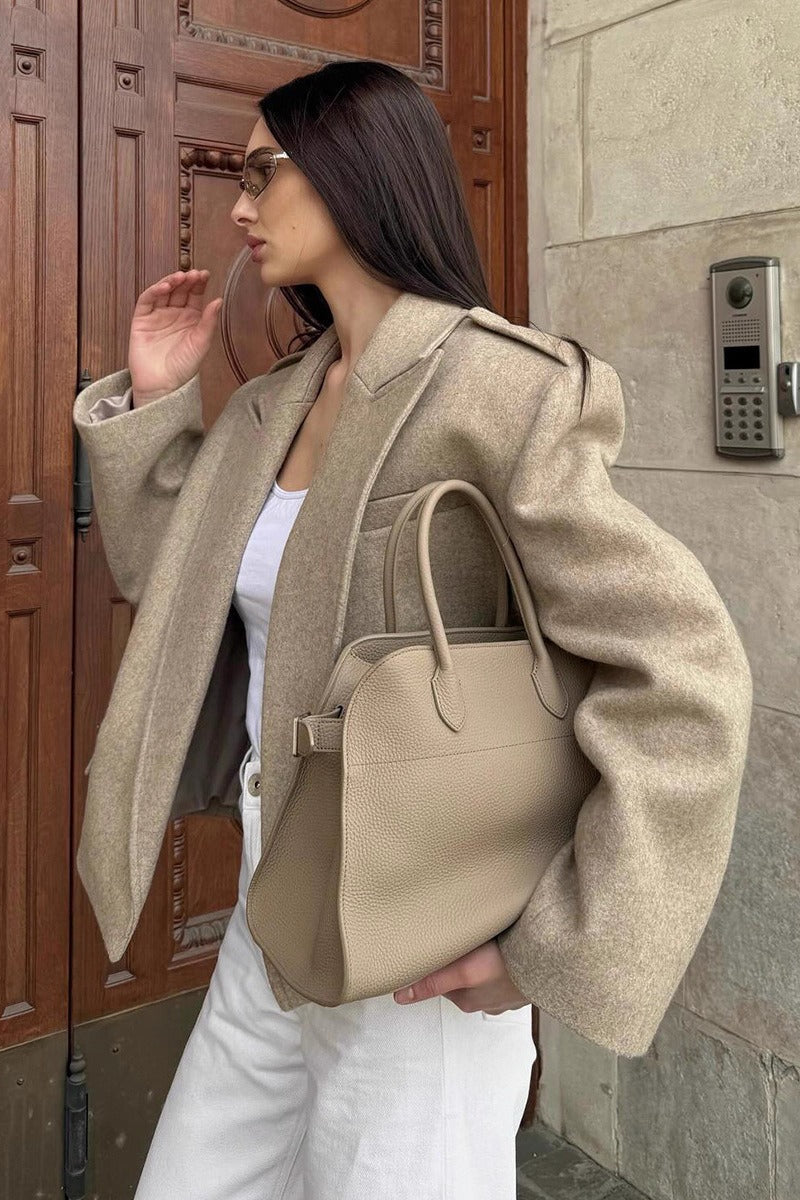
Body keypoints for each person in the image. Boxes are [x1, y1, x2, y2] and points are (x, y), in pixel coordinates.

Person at [75, 58, 752, 1200]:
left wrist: (558, 945)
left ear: (353, 170)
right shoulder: (273, 401)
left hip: (420, 955)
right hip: (272, 919)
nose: (238, 206)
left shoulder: (502, 391)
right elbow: (174, 596)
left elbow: (684, 672)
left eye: (261, 171)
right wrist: (153, 400)